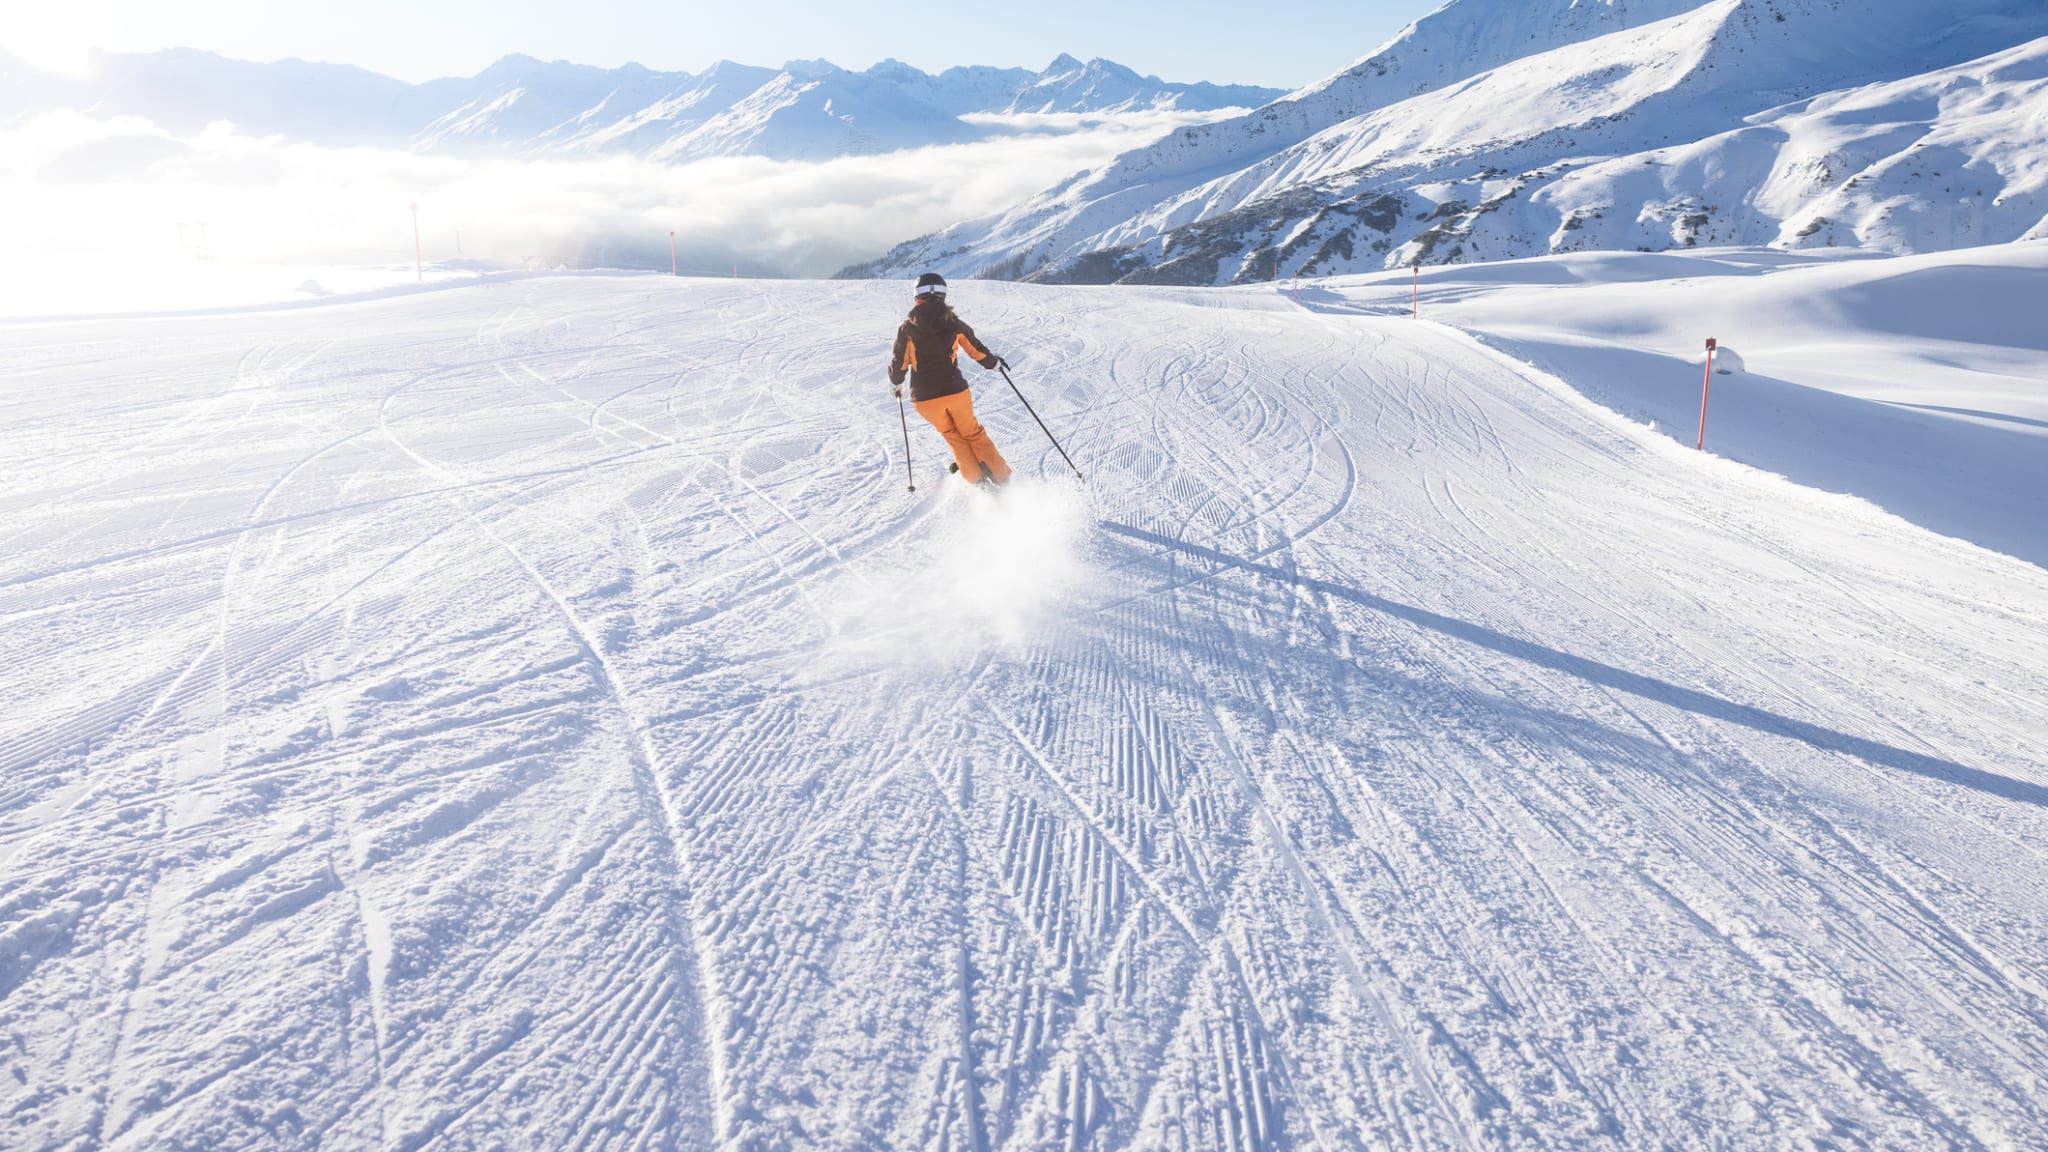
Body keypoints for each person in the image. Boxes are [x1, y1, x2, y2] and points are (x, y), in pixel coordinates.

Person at [888, 273, 1013, 488]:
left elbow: (900, 364)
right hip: (955, 392)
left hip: (925, 399)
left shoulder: (907, 328)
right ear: (943, 295)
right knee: (972, 433)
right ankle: (1001, 478)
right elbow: (976, 350)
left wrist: (896, 384)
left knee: (952, 435)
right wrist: (995, 364)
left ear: (917, 295)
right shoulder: (954, 323)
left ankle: (976, 479)